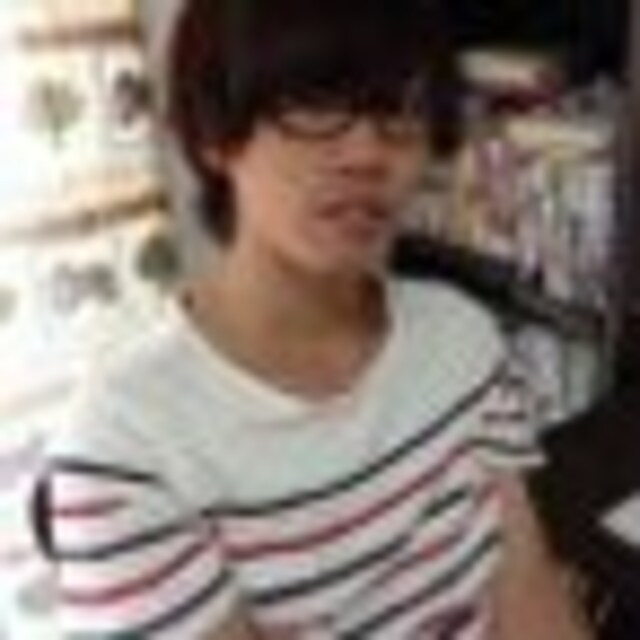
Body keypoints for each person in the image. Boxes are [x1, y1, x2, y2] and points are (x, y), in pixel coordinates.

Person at [35, 0, 593, 637]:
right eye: (316, 104)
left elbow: (527, 588)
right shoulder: (128, 442)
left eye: (398, 113)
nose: (367, 154)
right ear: (217, 136)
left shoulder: (463, 341)